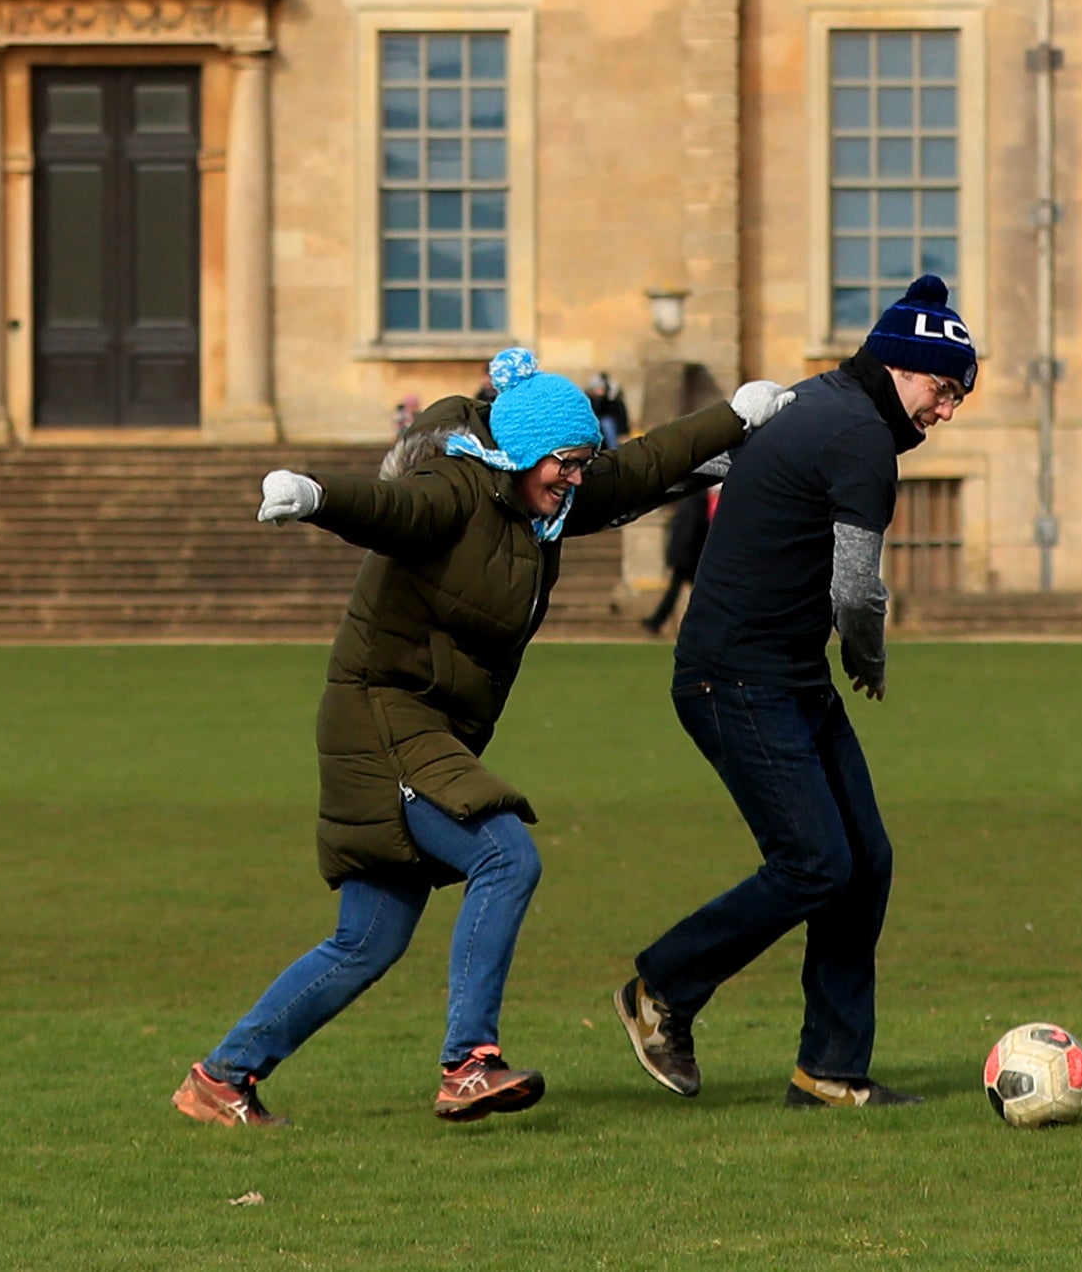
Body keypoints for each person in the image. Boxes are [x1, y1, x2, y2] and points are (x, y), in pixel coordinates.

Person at [177, 347, 756, 1128]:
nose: (575, 479)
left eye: (580, 465)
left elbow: (644, 465)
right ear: (518, 453)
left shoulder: (543, 502)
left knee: (366, 942)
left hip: (429, 729)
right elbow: (387, 512)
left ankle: (221, 1079)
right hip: (383, 720)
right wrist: (314, 496)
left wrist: (740, 416)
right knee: (505, 854)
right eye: (564, 463)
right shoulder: (449, 489)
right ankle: (468, 1064)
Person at [619, 273, 979, 1112]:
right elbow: (856, 590)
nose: (947, 411)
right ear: (897, 365)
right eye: (942, 388)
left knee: (864, 864)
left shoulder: (810, 401)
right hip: (733, 678)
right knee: (815, 861)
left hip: (782, 677)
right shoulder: (859, 440)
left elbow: (693, 466)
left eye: (959, 395)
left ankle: (829, 1073)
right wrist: (871, 657)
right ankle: (660, 989)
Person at [642, 471, 715, 639]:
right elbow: (689, 534)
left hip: (684, 556)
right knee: (701, 592)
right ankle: (657, 622)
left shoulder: (690, 504)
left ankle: (656, 621)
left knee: (681, 591)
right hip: (688, 558)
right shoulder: (697, 505)